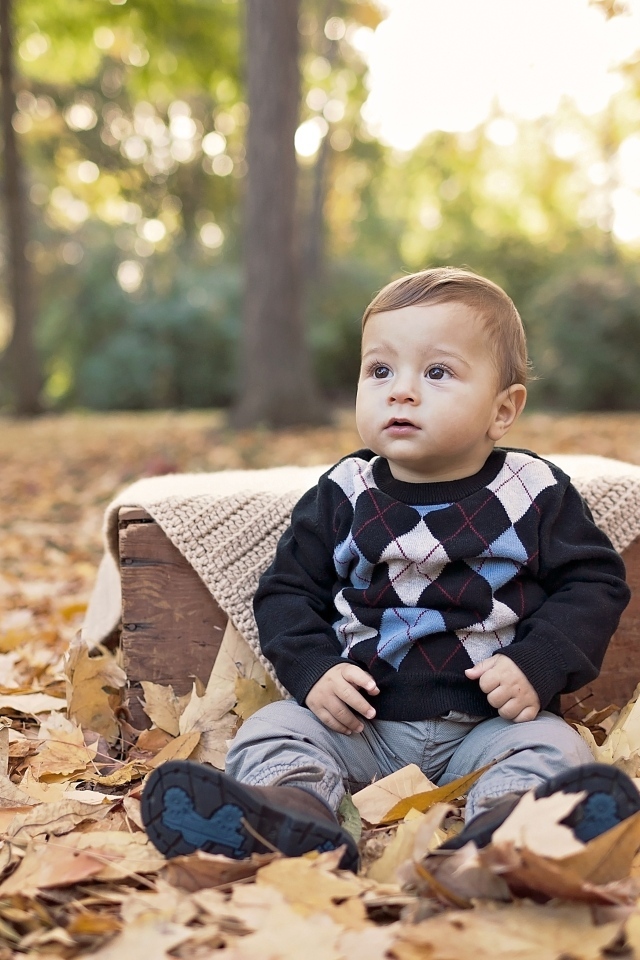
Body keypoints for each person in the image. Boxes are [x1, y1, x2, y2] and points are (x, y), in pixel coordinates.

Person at [142, 267, 636, 870]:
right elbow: (287, 590)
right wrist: (314, 670)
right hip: (361, 725)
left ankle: (508, 826)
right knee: (273, 728)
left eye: (437, 372)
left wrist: (537, 664)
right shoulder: (344, 491)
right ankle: (296, 813)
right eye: (380, 371)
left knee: (552, 747)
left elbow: (595, 582)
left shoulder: (532, 490)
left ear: (502, 410)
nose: (400, 391)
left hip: (490, 724)